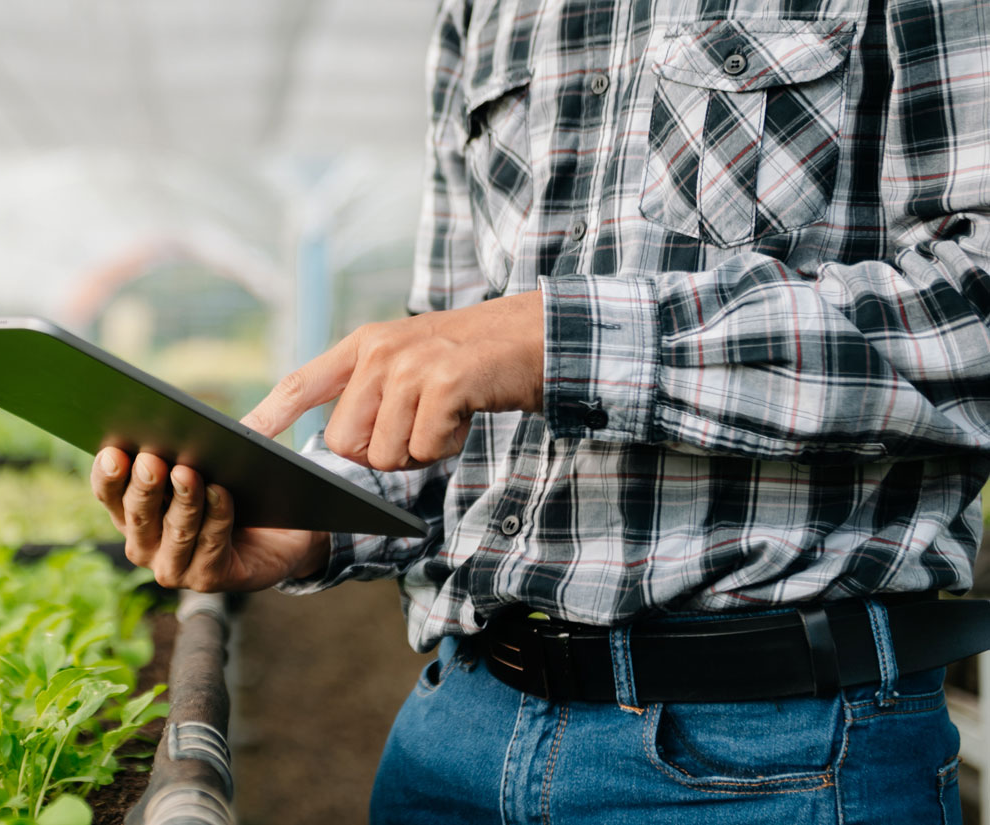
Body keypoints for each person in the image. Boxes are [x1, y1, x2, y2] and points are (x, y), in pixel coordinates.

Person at [89, 0, 990, 818]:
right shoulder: (480, 12)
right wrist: (310, 523)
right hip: (459, 731)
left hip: (775, 756)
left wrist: (552, 340)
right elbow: (453, 383)